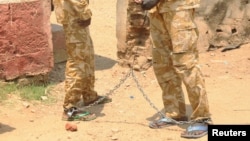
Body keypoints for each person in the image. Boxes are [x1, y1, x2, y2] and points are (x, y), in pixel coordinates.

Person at [134, 0, 212, 138]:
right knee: (163, 63)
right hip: (156, 10)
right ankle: (175, 113)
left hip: (178, 8)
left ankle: (202, 118)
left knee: (186, 63)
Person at [53, 0, 111, 121]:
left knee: (87, 55)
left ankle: (89, 95)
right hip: (74, 15)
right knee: (77, 61)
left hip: (75, 15)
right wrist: (85, 13)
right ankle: (70, 108)